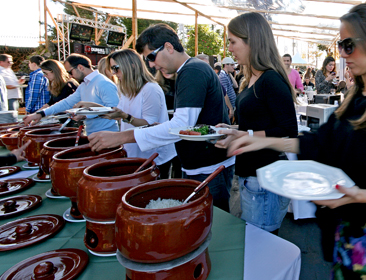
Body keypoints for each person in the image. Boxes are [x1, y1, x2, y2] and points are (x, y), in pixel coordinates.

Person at [226, 3, 366, 279]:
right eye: (341, 46)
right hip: (351, 235)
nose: (343, 54)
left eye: (349, 45)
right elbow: (320, 142)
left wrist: (356, 195)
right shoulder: (359, 98)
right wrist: (262, 142)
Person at [88, 24, 235, 212]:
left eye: (151, 56)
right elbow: (190, 122)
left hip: (209, 165)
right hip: (203, 163)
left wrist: (120, 137)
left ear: (168, 47)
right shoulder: (188, 71)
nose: (151, 64)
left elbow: (182, 125)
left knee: (213, 223)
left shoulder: (193, 71)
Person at [215, 12, 298, 234]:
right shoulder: (251, 78)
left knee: (261, 245)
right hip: (251, 177)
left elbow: (289, 130)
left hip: (264, 179)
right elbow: (255, 124)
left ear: (251, 40)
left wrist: (245, 135)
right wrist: (231, 130)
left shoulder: (270, 79)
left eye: (233, 42)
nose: (229, 49)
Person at [84, 49, 177, 179]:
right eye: (112, 69)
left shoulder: (150, 89)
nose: (114, 73)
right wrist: (92, 108)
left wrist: (125, 117)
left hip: (154, 154)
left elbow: (149, 125)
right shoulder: (126, 89)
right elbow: (119, 111)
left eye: (116, 68)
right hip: (134, 151)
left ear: (132, 65)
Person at [23, 54, 119, 135]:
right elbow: (66, 102)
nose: (70, 76)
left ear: (80, 67)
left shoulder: (103, 83)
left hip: (107, 134)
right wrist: (40, 113)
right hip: (94, 133)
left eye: (70, 72)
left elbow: (114, 111)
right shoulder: (84, 84)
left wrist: (85, 115)